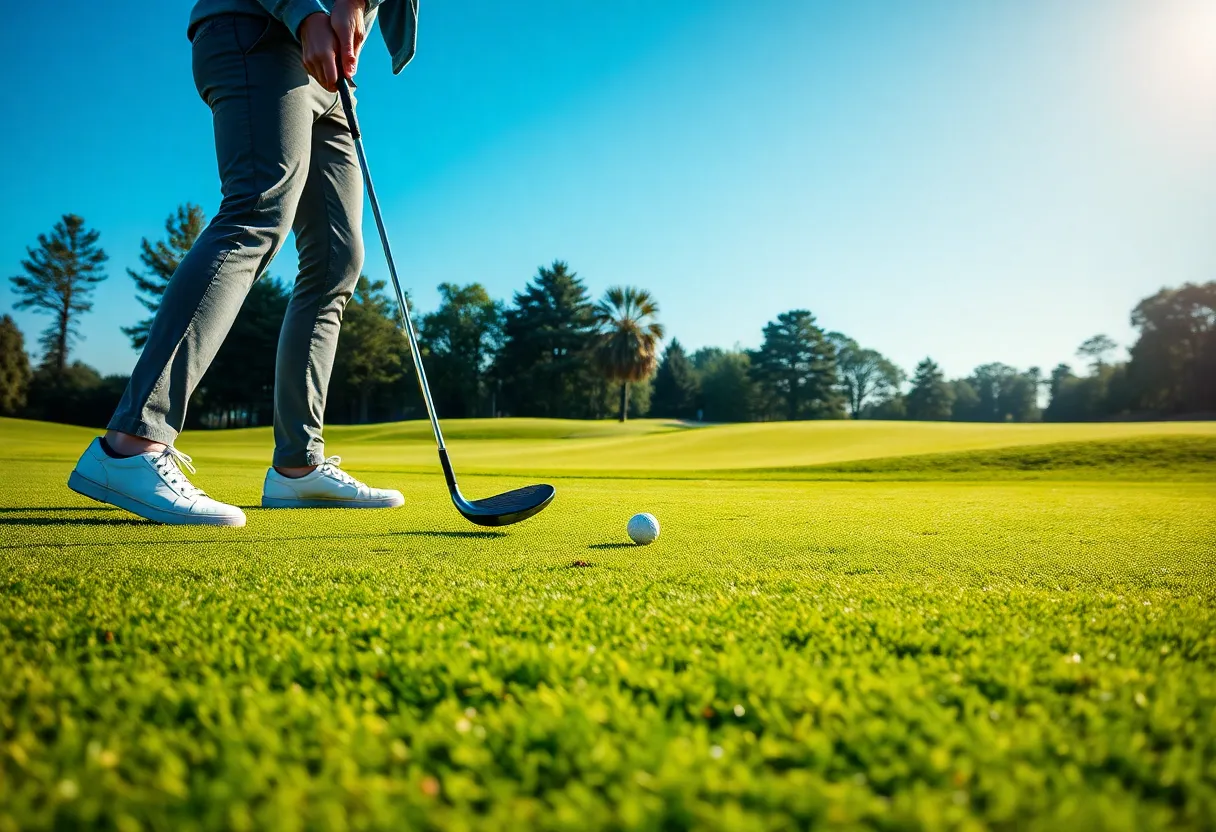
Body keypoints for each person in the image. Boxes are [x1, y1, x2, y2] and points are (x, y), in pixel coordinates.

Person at [67, 0, 419, 527]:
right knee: (256, 213)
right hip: (261, 28)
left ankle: (297, 468)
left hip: (331, 76)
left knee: (337, 260)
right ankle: (130, 446)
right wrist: (305, 13)